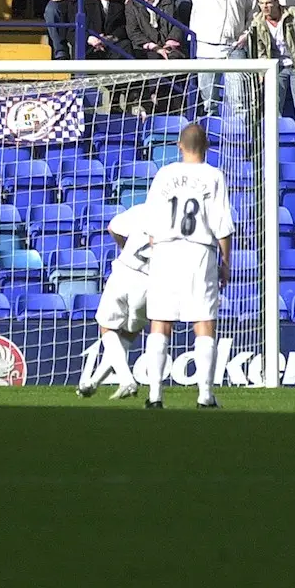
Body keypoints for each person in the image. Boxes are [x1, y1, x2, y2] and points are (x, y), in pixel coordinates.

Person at [142, 123, 234, 409]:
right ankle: (205, 395)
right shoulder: (214, 175)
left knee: (160, 321)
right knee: (203, 321)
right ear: (206, 146)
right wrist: (226, 262)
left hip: (166, 249)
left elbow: (151, 222)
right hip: (199, 251)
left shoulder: (164, 174)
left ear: (179, 145)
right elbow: (222, 225)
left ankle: (155, 395)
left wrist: (157, 248)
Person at [76, 203, 151, 400]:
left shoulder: (144, 209)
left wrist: (123, 247)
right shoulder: (180, 224)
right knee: (129, 332)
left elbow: (113, 227)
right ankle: (92, 383)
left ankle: (126, 380)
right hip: (152, 283)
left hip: (126, 272)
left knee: (106, 328)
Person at [172, 0, 256, 116]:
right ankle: (212, 142)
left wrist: (246, 34)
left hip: (234, 47)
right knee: (209, 104)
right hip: (206, 48)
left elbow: (253, 16)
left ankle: (238, 140)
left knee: (238, 102)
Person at [247, 0, 295, 125]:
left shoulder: (294, 14)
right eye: (261, 3)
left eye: (268, 3)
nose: (264, 7)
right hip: (275, 68)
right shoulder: (258, 22)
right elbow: (260, 51)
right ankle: (279, 143)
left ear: (277, 2)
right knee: (273, 108)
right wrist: (263, 72)